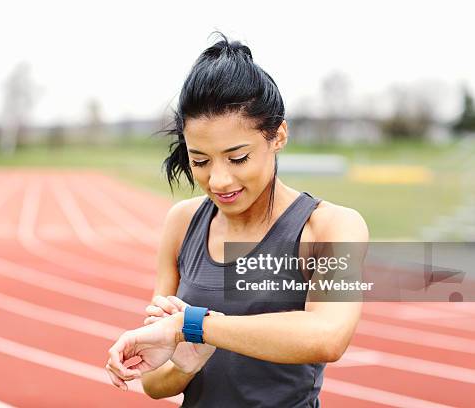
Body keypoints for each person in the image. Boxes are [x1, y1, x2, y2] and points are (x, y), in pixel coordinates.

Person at [105, 32, 368, 407]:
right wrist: (187, 362)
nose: (219, 180)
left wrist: (194, 326)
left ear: (277, 136)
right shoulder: (182, 223)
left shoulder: (330, 226)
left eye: (238, 157)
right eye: (200, 161)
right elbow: (154, 383)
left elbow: (328, 336)